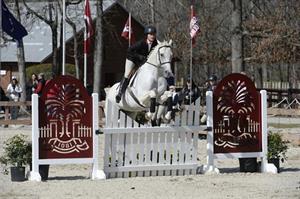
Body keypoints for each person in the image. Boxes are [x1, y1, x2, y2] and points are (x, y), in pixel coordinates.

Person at [116, 25, 158, 103]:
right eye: (151, 34)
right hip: (132, 59)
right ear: (147, 35)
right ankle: (120, 93)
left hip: (142, 62)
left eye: (154, 34)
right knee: (128, 74)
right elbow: (129, 51)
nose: (152, 36)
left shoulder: (155, 44)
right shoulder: (141, 43)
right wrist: (139, 56)